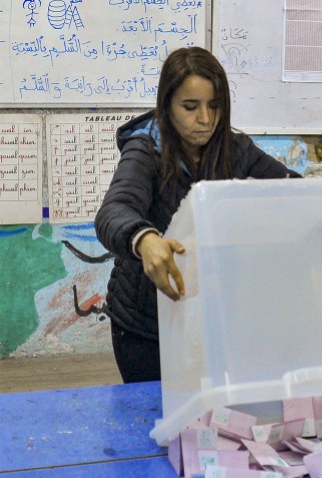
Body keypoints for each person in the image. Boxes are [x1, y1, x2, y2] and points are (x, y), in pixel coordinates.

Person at [95, 46, 301, 383]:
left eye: (215, 106)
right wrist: (146, 240)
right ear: (167, 106)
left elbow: (292, 192)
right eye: (190, 107)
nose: (205, 119)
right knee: (153, 417)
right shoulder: (145, 149)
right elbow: (114, 210)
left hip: (213, 320)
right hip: (147, 325)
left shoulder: (237, 150)